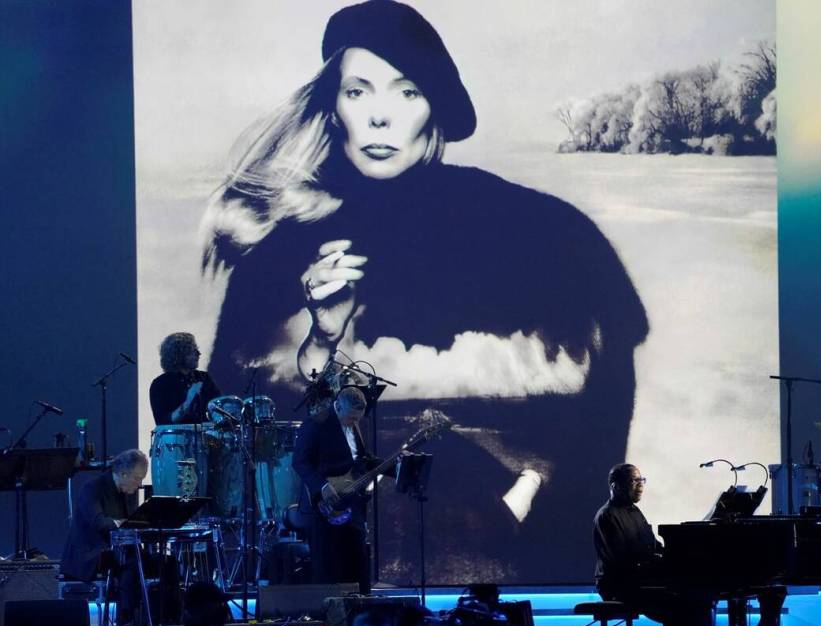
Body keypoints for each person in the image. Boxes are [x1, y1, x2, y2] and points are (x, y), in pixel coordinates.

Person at [202, 0, 647, 584]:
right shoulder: (279, 256)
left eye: (407, 92)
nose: (380, 118)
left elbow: (600, 432)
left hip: (519, 565)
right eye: (358, 92)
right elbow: (246, 437)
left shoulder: (550, 235)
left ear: (436, 107)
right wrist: (322, 337)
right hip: (344, 557)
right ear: (333, 107)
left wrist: (526, 525)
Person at [593, 463, 714, 626]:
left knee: (699, 600)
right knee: (682, 605)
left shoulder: (635, 511)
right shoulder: (607, 516)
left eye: (642, 480)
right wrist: (658, 565)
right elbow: (622, 561)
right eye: (634, 481)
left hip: (642, 580)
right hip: (620, 586)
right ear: (615, 486)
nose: (640, 485)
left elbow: (653, 546)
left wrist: (674, 557)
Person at [292, 386, 379, 592]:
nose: (354, 422)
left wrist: (394, 465)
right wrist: (322, 486)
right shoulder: (315, 424)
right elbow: (300, 462)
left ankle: (358, 614)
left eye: (358, 418)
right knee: (328, 572)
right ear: (337, 406)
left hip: (351, 506)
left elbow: (360, 460)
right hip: (322, 509)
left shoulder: (354, 424)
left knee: (357, 566)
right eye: (350, 418)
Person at [61, 449, 156, 626]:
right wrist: (124, 522)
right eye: (137, 478)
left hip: (114, 551)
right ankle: (126, 619)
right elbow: (100, 523)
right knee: (132, 564)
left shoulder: (125, 492)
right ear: (122, 473)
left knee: (164, 563)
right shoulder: (93, 488)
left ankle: (164, 617)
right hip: (90, 554)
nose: (139, 484)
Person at [150, 332, 221, 425]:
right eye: (193, 351)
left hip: (207, 437)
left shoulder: (204, 378)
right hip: (177, 438)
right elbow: (163, 422)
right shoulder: (160, 384)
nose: (198, 354)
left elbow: (218, 409)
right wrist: (188, 401)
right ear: (179, 355)